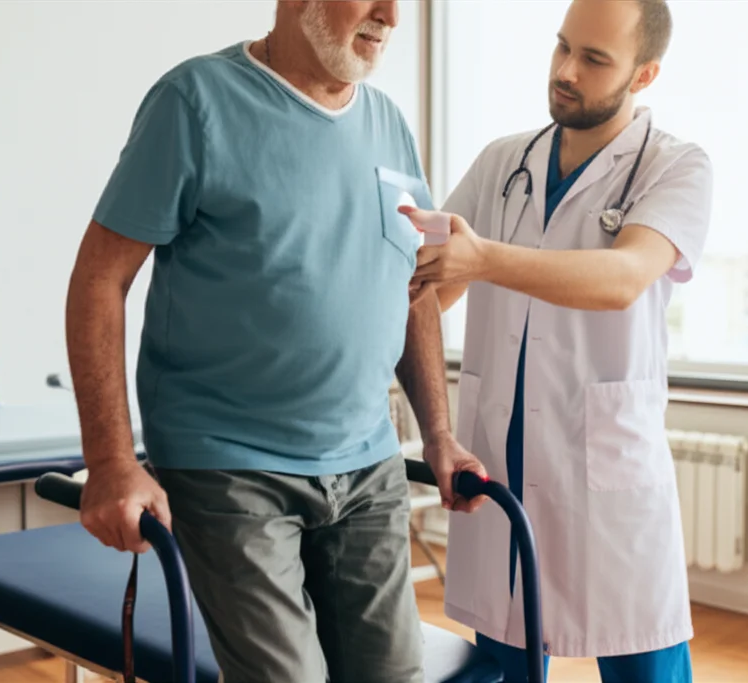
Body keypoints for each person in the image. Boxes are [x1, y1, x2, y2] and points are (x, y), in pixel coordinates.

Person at [64, 2, 486, 682]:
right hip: (229, 466)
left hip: (367, 465)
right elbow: (98, 280)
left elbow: (417, 287)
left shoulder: (391, 125)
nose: (391, 15)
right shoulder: (194, 101)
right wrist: (110, 458)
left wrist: (439, 432)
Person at [400, 0, 711, 681]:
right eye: (562, 47)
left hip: (608, 480)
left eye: (595, 59)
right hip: (499, 463)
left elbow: (623, 277)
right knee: (509, 663)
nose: (567, 71)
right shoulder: (502, 162)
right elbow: (422, 296)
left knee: (645, 662)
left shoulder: (675, 167)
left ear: (646, 73)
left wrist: (483, 259)